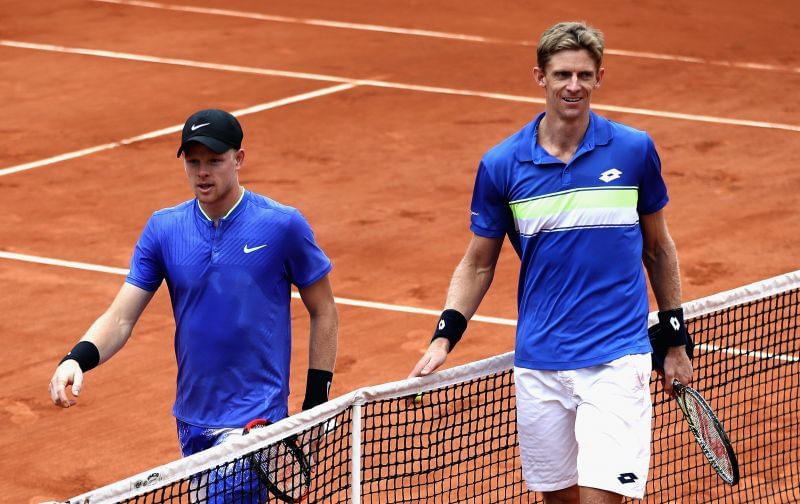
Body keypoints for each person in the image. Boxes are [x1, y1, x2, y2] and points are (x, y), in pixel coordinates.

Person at [409, 21, 693, 504]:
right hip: (540, 361)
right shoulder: (502, 164)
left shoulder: (634, 150)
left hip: (616, 358)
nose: (574, 86)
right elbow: (478, 263)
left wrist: (674, 337)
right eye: (562, 74)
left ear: (600, 76)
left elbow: (658, 247)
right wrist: (445, 335)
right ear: (540, 77)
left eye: (585, 74)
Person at [49, 108, 338, 501]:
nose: (203, 172)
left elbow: (324, 309)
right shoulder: (164, 229)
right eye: (194, 161)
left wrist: (315, 399)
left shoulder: (282, 225)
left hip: (254, 419)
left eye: (215, 161)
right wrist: (75, 358)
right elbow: (120, 317)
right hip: (191, 418)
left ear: (239, 159)